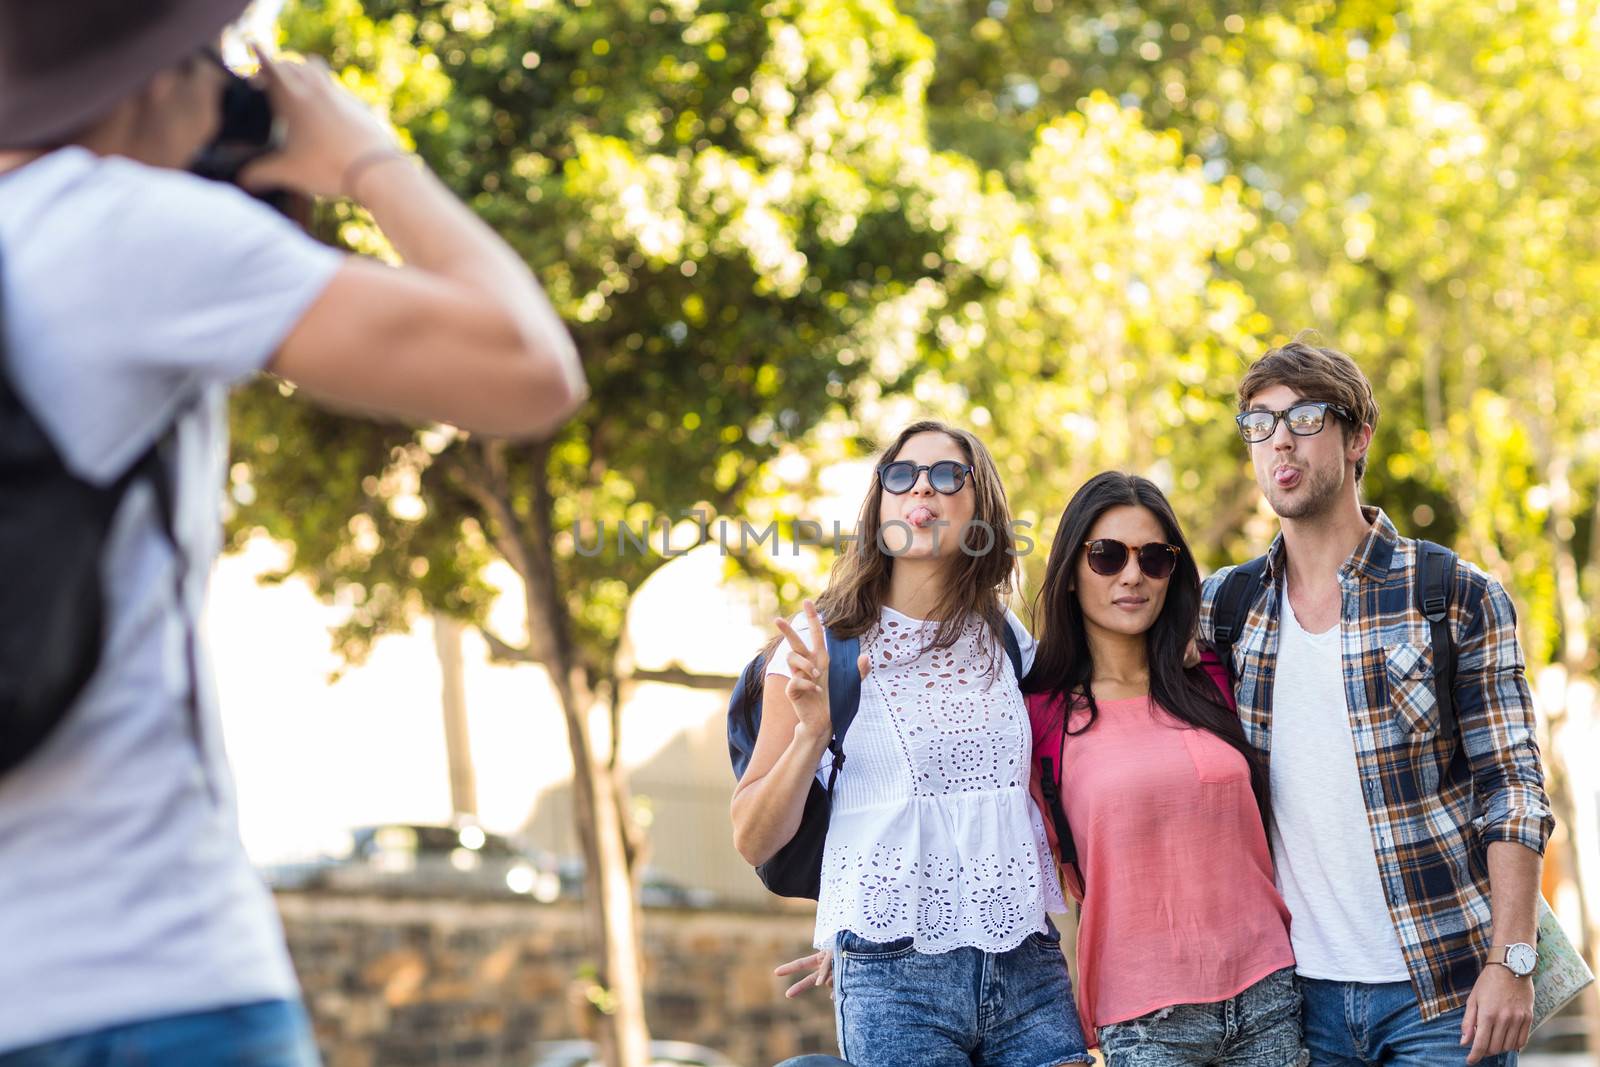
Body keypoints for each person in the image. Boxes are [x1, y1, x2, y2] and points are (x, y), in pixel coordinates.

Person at [0, 1, 586, 1062]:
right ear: (155, 75)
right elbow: (527, 367)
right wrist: (366, 157)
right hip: (146, 976)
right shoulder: (121, 229)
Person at [1199, 336, 1553, 1066]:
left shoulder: (1451, 592)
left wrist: (1512, 960)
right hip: (1293, 1001)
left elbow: (1513, 787)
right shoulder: (1225, 607)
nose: (1279, 441)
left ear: (1358, 436)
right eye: (1259, 423)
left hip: (1444, 992)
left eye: (1304, 418)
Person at [731, 420, 1091, 1067]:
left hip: (1029, 963)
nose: (921, 486)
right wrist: (813, 732)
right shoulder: (822, 645)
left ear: (980, 507)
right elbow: (754, 838)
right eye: (902, 474)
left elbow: (1047, 787)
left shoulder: (1007, 638)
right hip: (898, 978)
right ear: (881, 503)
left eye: (947, 474)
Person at [1024, 471, 1305, 1066]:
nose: (1133, 576)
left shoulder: (1214, 678)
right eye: (1106, 556)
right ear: (1071, 573)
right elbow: (984, 841)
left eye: (1154, 558)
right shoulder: (1040, 712)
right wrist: (865, 933)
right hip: (1144, 1016)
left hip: (1270, 990)